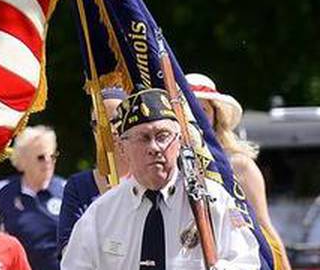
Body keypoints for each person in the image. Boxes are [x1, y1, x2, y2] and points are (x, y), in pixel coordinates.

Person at [62, 88, 261, 270]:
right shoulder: (102, 213)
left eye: (163, 136)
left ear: (180, 141)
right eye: (143, 138)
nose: (155, 148)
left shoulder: (213, 201)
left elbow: (247, 261)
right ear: (123, 149)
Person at [188, 73, 291, 269]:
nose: (196, 118)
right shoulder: (165, 167)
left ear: (216, 116)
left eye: (203, 110)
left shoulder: (239, 165)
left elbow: (263, 224)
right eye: (190, 110)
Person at [57, 87, 130, 256]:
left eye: (116, 121)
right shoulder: (78, 185)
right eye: (100, 124)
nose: (109, 131)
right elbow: (67, 248)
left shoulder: (147, 180)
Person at [0, 125, 64, 270]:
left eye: (52, 156)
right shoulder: (3, 192)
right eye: (41, 157)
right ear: (22, 161)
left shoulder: (67, 190)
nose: (48, 162)